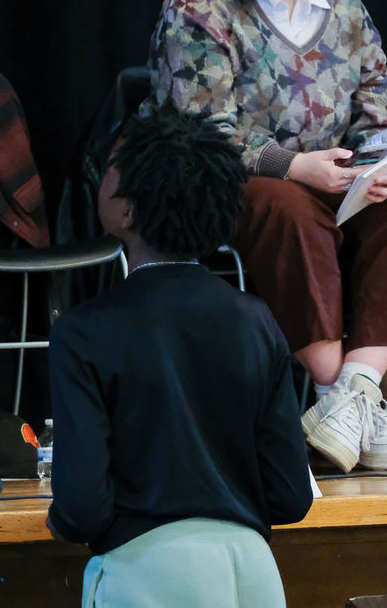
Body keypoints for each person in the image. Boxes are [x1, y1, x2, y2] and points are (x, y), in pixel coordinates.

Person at [145, 0, 387, 472]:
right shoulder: (201, 4)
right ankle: (340, 393)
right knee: (287, 206)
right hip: (228, 185)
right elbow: (196, 128)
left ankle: (354, 393)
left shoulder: (344, 6)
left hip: (336, 181)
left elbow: (377, 107)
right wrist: (293, 166)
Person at [48, 108, 313, 606]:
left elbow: (81, 510)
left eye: (111, 169)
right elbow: (291, 497)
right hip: (256, 571)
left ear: (128, 211)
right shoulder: (257, 320)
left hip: (146, 574)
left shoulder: (83, 331)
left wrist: (61, 522)